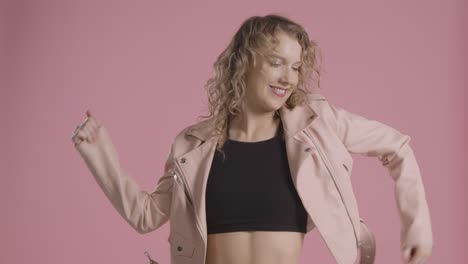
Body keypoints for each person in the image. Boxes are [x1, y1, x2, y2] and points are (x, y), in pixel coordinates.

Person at [71, 14, 433, 264]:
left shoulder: (318, 124)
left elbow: (396, 146)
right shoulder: (193, 147)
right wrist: (97, 151)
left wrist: (416, 228)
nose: (289, 77)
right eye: (277, 62)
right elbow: (145, 215)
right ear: (244, 62)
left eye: (295, 66)